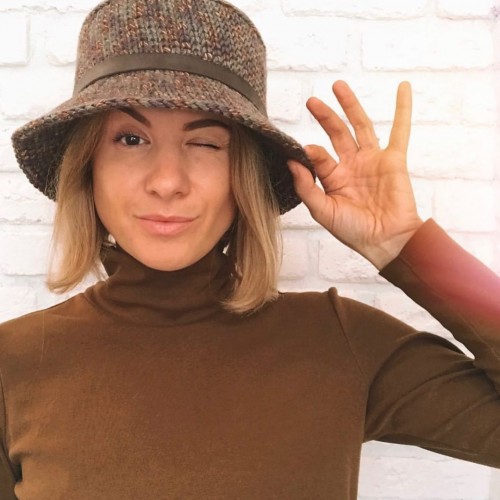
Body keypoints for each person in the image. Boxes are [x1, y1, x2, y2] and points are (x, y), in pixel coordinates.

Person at [1, 0, 499, 498]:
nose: (168, 181)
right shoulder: (13, 362)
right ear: (87, 168)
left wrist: (407, 246)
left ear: (244, 176)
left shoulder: (337, 341)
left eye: (205, 143)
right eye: (131, 139)